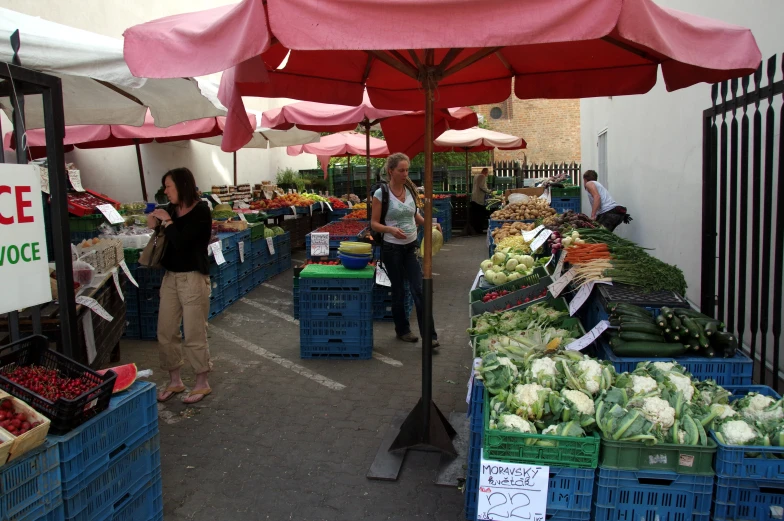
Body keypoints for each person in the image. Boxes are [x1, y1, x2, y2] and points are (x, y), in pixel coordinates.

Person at [148, 168, 214, 404]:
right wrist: (155, 222)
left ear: (182, 185)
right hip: (170, 278)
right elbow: (164, 240)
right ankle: (175, 380)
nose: (165, 191)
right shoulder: (171, 209)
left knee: (194, 332)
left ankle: (201, 382)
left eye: (168, 186)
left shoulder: (201, 210)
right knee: (166, 331)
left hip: (193, 278)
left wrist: (167, 222)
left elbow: (185, 243)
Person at [371, 153, 441, 349]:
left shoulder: (410, 190)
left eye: (407, 170)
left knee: (419, 289)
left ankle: (430, 336)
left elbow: (415, 215)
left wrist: (432, 224)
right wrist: (390, 229)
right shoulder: (381, 194)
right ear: (390, 171)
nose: (405, 174)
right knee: (399, 291)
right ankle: (402, 330)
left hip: (411, 247)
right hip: (391, 248)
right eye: (401, 170)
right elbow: (374, 224)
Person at [470, 167, 492, 234]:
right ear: (485, 172)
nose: (487, 175)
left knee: (475, 215)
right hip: (479, 199)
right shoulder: (482, 176)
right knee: (480, 215)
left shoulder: (476, 176)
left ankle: (476, 229)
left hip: (474, 197)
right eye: (487, 173)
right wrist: (489, 191)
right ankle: (479, 230)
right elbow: (482, 187)